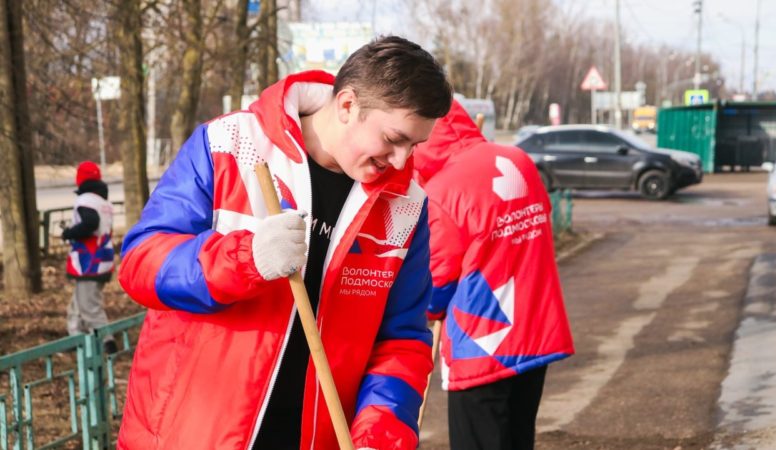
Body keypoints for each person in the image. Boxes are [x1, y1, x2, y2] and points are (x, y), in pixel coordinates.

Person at [116, 36, 452, 450]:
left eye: (414, 145)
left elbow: (400, 341)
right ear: (347, 105)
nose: (401, 161)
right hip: (190, 434)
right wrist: (244, 259)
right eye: (393, 139)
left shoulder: (406, 207)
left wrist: (379, 435)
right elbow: (140, 263)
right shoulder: (231, 144)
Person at [413, 101, 574, 450]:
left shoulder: (442, 190)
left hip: (483, 344)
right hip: (535, 331)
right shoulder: (518, 160)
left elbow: (436, 281)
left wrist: (425, 313)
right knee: (518, 438)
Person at [61, 160, 117, 354]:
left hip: (89, 261)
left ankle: (107, 343)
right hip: (102, 258)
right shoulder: (104, 202)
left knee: (89, 307)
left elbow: (90, 223)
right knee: (77, 306)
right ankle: (77, 342)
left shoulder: (86, 200)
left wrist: (69, 233)